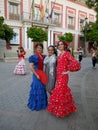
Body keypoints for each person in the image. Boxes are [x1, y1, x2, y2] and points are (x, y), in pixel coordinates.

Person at [47, 41, 81, 117]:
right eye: (58, 45)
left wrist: (68, 70)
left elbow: (75, 63)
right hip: (59, 75)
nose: (60, 46)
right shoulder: (60, 54)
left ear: (65, 46)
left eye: (61, 44)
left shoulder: (67, 53)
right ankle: (59, 109)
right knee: (60, 91)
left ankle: (61, 110)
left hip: (63, 76)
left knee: (61, 91)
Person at [27, 43, 47, 111]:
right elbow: (31, 67)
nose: (39, 49)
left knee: (41, 88)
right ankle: (36, 104)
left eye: (40, 48)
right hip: (36, 75)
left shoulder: (43, 56)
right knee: (37, 88)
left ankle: (41, 104)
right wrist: (37, 75)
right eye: (38, 48)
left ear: (42, 49)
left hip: (41, 74)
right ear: (35, 49)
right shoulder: (34, 56)